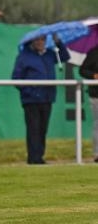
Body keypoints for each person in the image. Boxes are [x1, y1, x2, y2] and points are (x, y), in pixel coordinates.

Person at [11, 35, 70, 164]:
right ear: (32, 41)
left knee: (43, 129)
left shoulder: (49, 54)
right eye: (37, 40)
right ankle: (33, 158)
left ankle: (39, 156)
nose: (40, 42)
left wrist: (58, 42)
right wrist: (29, 90)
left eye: (42, 39)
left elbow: (65, 56)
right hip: (31, 100)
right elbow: (16, 78)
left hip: (47, 98)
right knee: (33, 129)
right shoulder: (24, 57)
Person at [79, 44, 98, 162]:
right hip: (96, 95)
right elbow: (83, 70)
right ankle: (97, 153)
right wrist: (94, 75)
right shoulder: (94, 52)